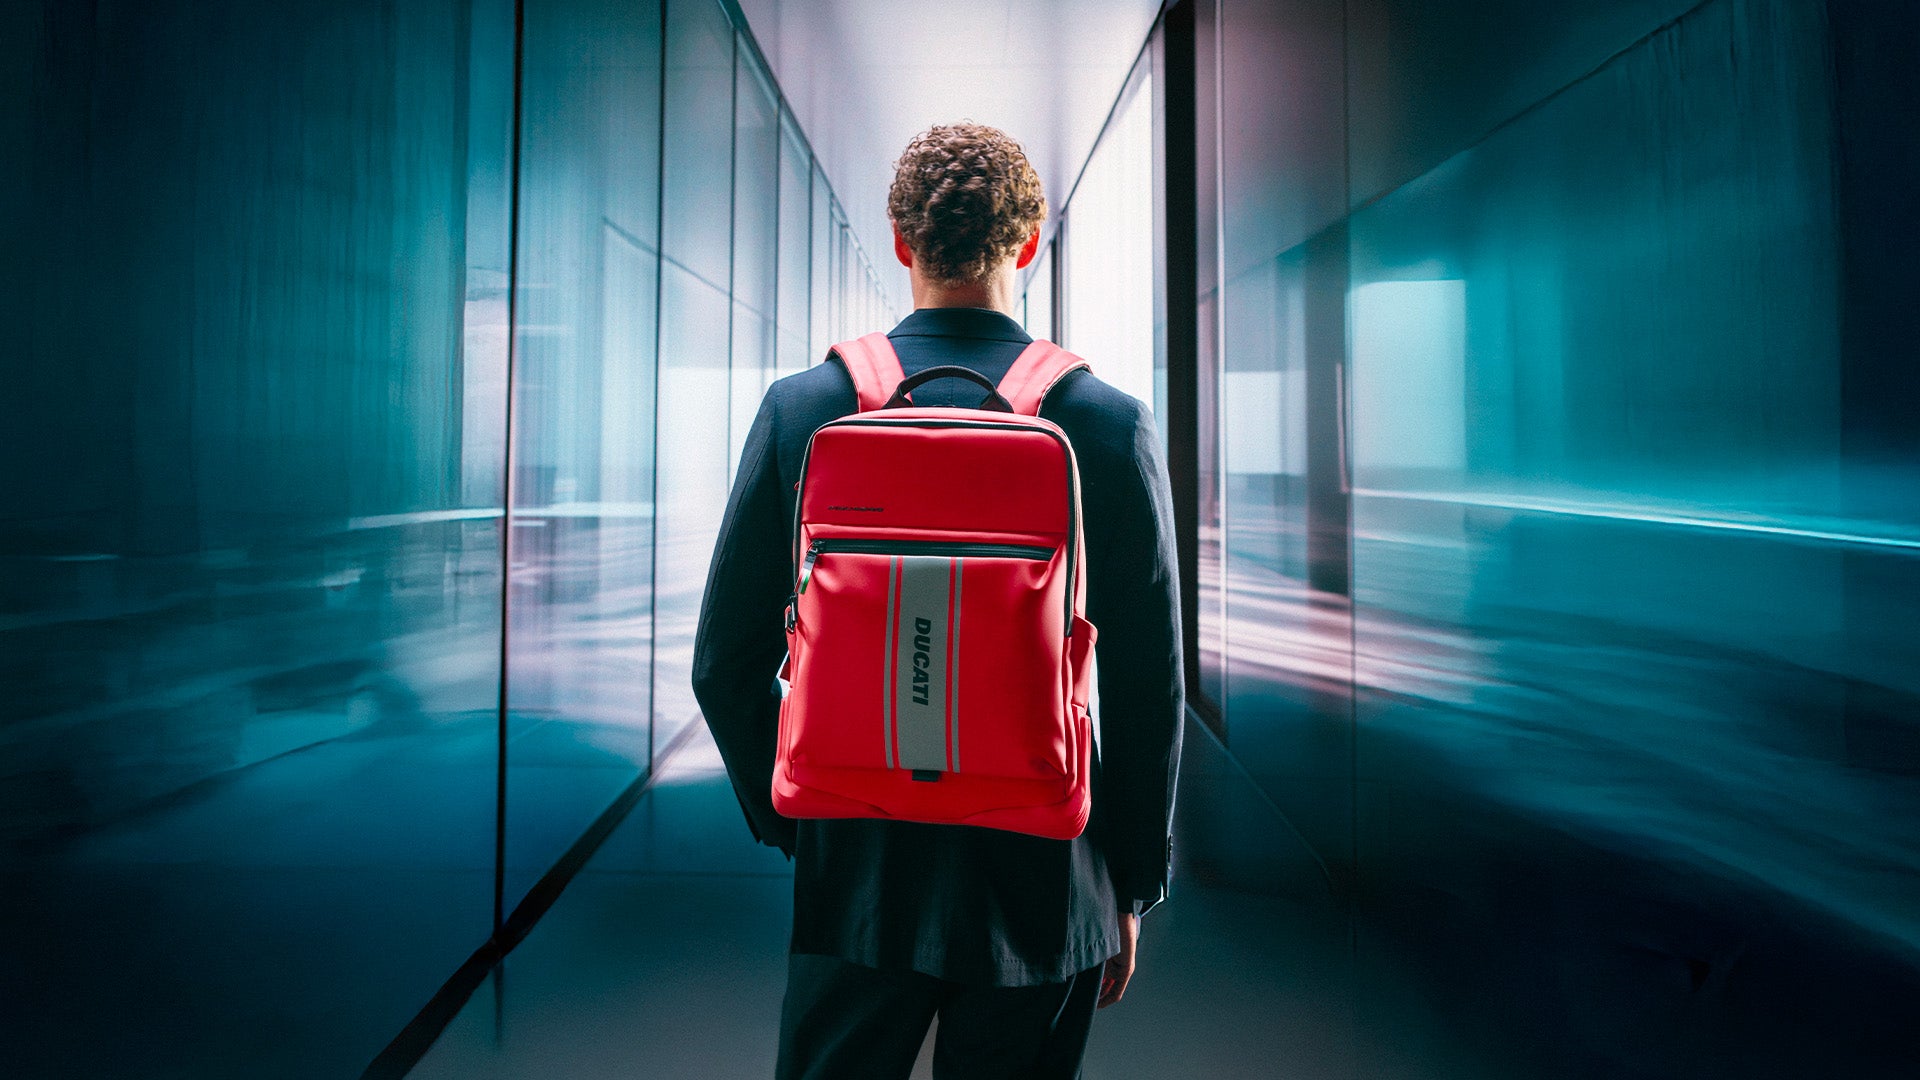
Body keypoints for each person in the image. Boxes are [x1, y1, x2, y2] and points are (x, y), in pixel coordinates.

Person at [692, 121, 1183, 1080]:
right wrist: (1128, 881)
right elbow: (1149, 680)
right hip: (1050, 879)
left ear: (902, 241)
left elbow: (724, 660)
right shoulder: (1108, 424)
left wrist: (802, 814)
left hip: (859, 871)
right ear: (1029, 243)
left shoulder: (806, 408)